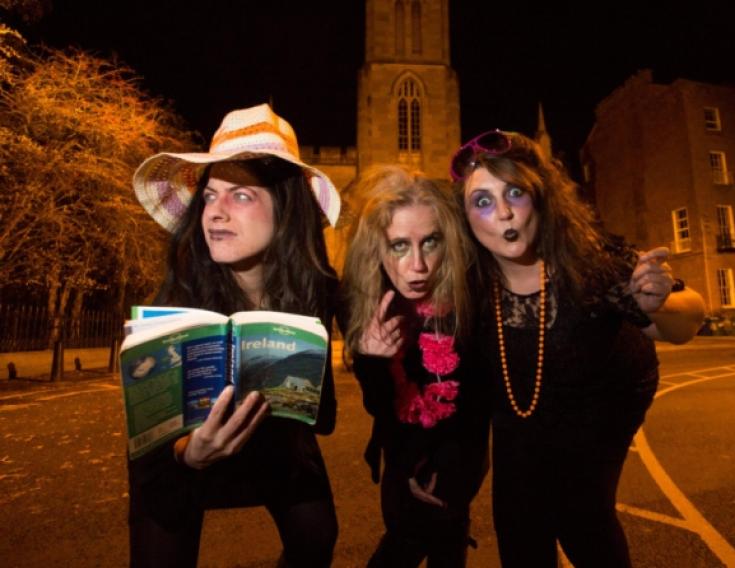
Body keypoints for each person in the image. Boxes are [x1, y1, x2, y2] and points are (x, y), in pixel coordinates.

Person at [449, 130, 706, 567]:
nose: (505, 212)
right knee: (517, 520)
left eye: (515, 192)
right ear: (466, 217)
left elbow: (688, 319)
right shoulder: (467, 283)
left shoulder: (587, 264)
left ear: (542, 198)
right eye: (483, 201)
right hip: (520, 407)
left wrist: (659, 303)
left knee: (580, 511)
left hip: (603, 397)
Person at [128, 103, 342, 568]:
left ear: (285, 210)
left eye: (241, 195)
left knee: (317, 535)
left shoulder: (316, 290)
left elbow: (322, 421)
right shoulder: (179, 297)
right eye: (210, 196)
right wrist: (189, 457)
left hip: (275, 447)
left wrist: (373, 355)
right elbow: (148, 448)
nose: (215, 213)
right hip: (182, 461)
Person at [341, 165, 489, 567]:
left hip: (458, 456)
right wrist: (373, 361)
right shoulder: (366, 300)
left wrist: (449, 466)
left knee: (445, 536)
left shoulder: (471, 298)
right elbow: (380, 407)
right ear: (377, 249)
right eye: (400, 246)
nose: (418, 266)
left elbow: (477, 401)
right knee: (406, 536)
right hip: (401, 453)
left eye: (431, 242)